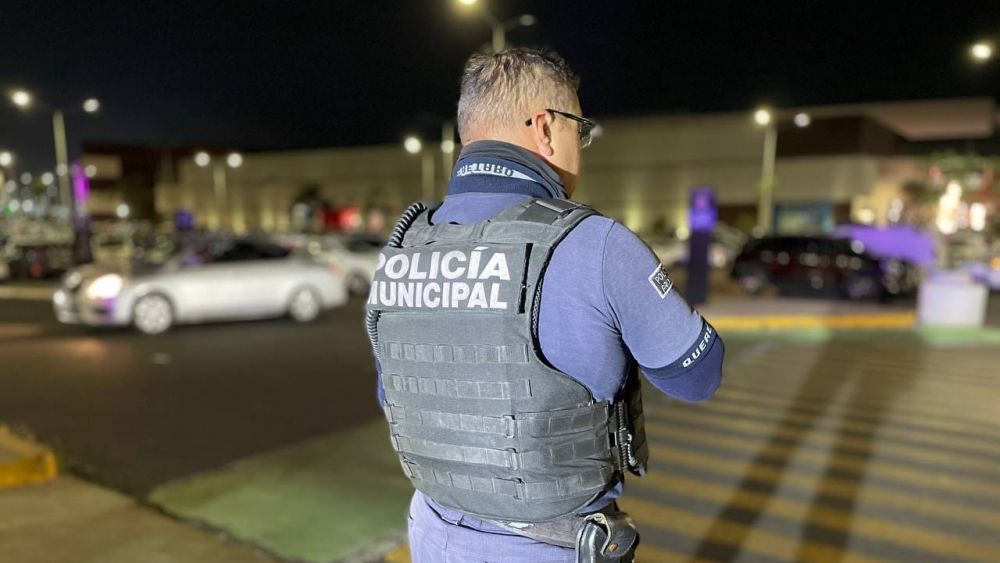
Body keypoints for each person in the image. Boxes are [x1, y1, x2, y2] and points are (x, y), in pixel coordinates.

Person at [366, 47, 724, 563]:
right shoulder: (597, 245)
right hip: (547, 547)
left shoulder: (404, 248)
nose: (582, 143)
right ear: (546, 127)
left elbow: (394, 395)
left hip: (432, 532)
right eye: (581, 128)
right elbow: (697, 377)